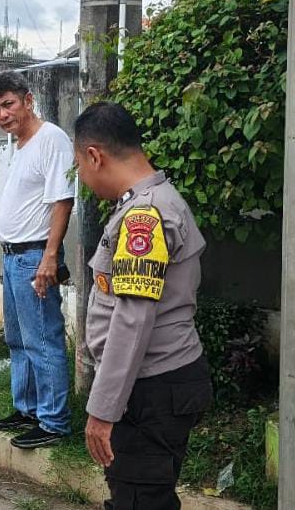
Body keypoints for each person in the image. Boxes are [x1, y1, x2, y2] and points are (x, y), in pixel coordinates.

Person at [73, 101, 213, 509]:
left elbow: (132, 319)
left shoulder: (144, 215)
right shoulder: (147, 202)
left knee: (139, 501)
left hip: (151, 389)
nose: (83, 177)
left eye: (79, 166)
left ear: (95, 156)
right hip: (156, 384)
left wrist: (103, 410)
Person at [0, 70, 75, 449]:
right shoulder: (20, 144)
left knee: (43, 340)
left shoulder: (51, 139)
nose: (3, 114)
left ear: (28, 100)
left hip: (35, 256)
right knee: (19, 340)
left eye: (8, 105)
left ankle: (54, 422)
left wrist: (50, 257)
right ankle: (29, 409)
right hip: (13, 257)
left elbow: (63, 201)